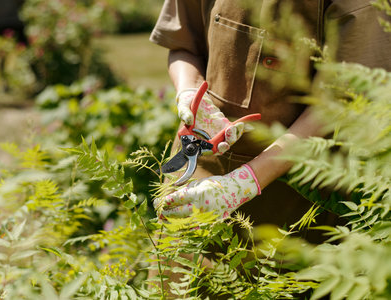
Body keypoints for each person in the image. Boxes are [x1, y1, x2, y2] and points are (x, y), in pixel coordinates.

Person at [150, 0, 391, 238]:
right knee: (178, 268)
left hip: (293, 201)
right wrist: (189, 91)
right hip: (193, 178)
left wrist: (243, 183)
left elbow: (338, 100)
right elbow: (182, 44)